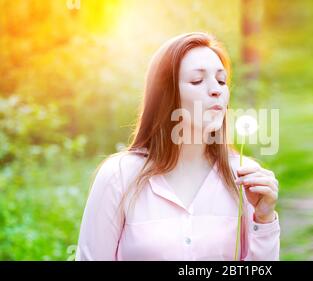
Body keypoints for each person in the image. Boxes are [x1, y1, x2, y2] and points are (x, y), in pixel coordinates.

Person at [75, 32, 280, 261]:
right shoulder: (119, 175)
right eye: (197, 80)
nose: (216, 90)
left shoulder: (243, 176)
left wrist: (264, 219)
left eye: (221, 81)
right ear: (166, 95)